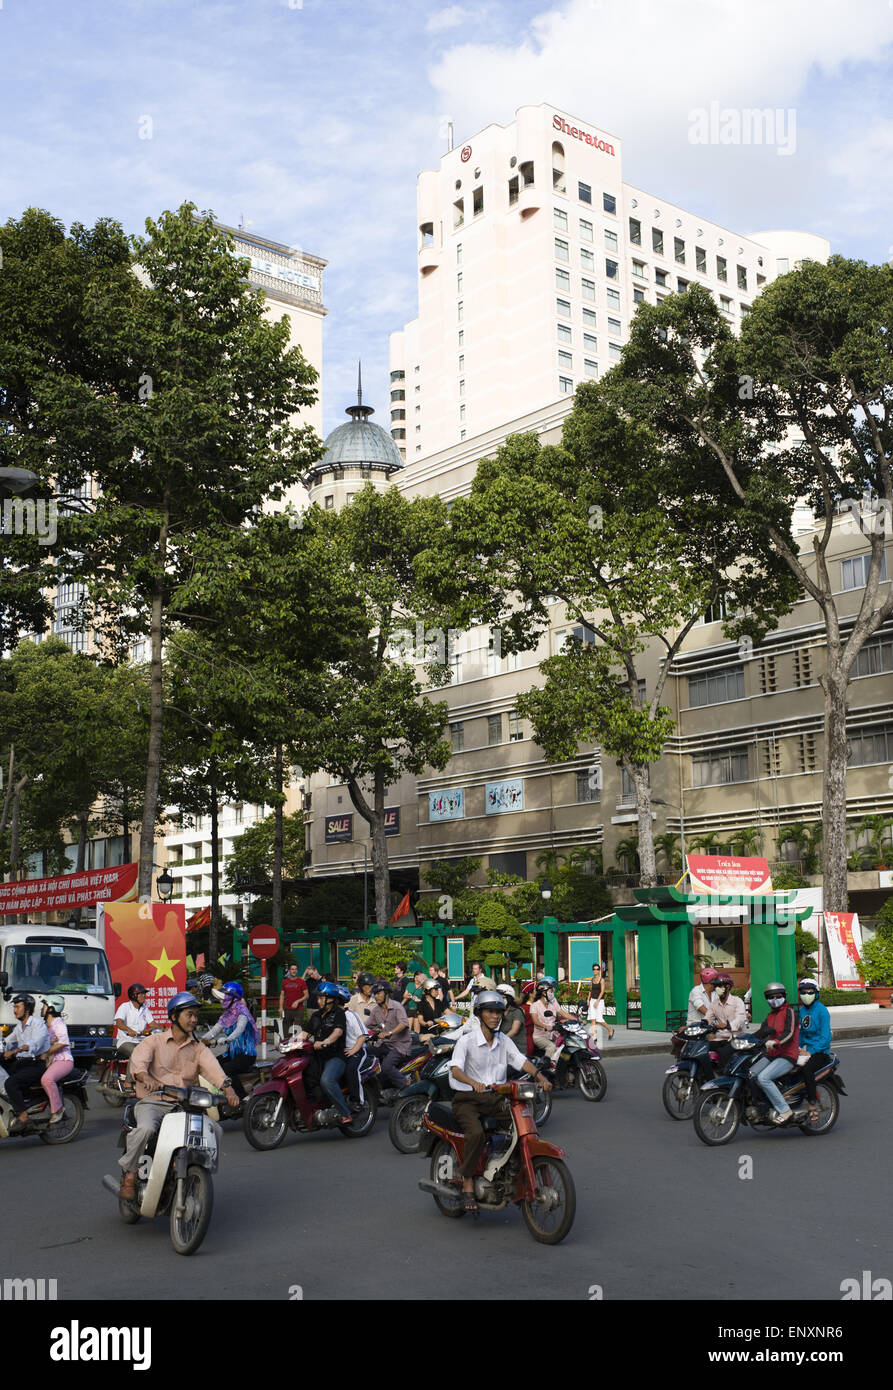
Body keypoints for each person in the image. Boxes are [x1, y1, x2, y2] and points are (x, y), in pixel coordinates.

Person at [118, 992, 238, 1200]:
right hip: (154, 1102)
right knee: (146, 1129)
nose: (193, 1020)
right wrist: (144, 1076)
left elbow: (213, 1069)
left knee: (215, 1130)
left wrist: (228, 1089)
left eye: (195, 1016)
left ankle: (197, 1172)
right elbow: (139, 1062)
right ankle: (129, 1175)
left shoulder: (198, 1048)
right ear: (174, 1017)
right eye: (189, 1015)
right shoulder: (154, 1042)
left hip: (184, 1105)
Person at [449, 990, 552, 1211]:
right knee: (475, 1133)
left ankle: (508, 1169)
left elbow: (520, 1061)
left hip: (495, 1098)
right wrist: (472, 1082)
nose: (495, 1016)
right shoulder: (466, 1041)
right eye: (490, 1011)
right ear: (479, 1014)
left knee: (522, 1126)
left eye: (498, 1012)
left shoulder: (504, 1040)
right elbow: (455, 1069)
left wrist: (541, 1077)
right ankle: (467, 1181)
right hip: (467, 1098)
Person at [751, 981, 801, 1125]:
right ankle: (763, 1105)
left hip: (787, 1055)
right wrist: (746, 1040)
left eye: (778, 996)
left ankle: (785, 1110)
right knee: (750, 1074)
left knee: (763, 1078)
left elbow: (789, 1033)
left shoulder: (790, 1012)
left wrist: (776, 1042)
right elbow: (761, 1032)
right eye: (770, 997)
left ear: (784, 996)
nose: (774, 1000)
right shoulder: (770, 1016)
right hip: (772, 1055)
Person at [303, 981, 351, 1123]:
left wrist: (325, 1042)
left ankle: (345, 1113)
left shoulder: (339, 1014)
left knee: (327, 1080)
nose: (318, 1001)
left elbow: (337, 1032)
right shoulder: (316, 1016)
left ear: (330, 999)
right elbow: (305, 1033)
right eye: (318, 998)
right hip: (317, 1057)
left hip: (336, 1057)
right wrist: (287, 1043)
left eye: (321, 998)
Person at [2, 994, 51, 1132]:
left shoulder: (38, 1025)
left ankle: (23, 1117)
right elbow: (7, 1041)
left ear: (27, 1009)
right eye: (14, 1007)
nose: (15, 1010)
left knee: (10, 1083)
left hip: (36, 1064)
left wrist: (15, 1050)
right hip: (22, 1063)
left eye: (18, 1007)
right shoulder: (19, 1027)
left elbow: (35, 1044)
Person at [203, 981, 259, 1101]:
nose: (222, 1000)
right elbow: (215, 1030)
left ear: (233, 998)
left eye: (225, 997)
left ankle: (242, 1096)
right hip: (232, 1053)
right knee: (212, 1065)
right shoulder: (227, 1014)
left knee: (226, 1069)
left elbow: (239, 1030)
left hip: (246, 1055)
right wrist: (200, 1040)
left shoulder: (242, 1013)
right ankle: (218, 1092)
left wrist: (227, 1039)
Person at [795, 977, 832, 1124]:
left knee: (807, 1069)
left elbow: (826, 1037)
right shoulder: (802, 1010)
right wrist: (796, 1048)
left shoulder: (822, 1011)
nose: (806, 995)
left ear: (816, 993)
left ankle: (811, 1104)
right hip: (806, 1051)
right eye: (803, 992)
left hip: (820, 1052)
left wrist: (810, 1052)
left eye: (809, 992)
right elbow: (802, 1034)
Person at [367, 981, 411, 1091]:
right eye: (374, 994)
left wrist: (389, 1033)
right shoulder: (376, 1011)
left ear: (386, 993)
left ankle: (405, 1083)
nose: (375, 996)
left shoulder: (397, 1007)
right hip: (384, 1044)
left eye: (378, 993)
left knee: (386, 1067)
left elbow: (404, 1023)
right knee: (365, 1052)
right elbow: (366, 1025)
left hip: (399, 1046)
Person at [39, 995, 74, 1123]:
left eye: (44, 1005)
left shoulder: (58, 1023)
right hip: (52, 1061)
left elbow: (64, 1042)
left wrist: (46, 1052)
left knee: (47, 1079)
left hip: (63, 1061)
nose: (41, 1008)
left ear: (51, 1008)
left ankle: (58, 1110)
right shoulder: (46, 1025)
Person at [340, 985, 374, 1110]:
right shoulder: (329, 1016)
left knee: (351, 1070)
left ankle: (358, 1101)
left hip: (357, 1050)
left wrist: (353, 1050)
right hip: (340, 1052)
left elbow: (363, 1035)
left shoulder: (351, 1015)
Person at [706, 972, 748, 1067]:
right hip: (720, 1038)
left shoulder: (737, 1001)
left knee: (723, 1053)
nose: (717, 989)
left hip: (736, 1038)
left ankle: (726, 1077)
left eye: (720, 986)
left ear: (728, 987)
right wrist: (698, 1026)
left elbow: (740, 1018)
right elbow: (707, 1018)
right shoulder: (714, 1004)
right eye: (716, 986)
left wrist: (728, 1025)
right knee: (702, 1048)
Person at [529, 979, 573, 1060]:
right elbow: (535, 1021)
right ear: (543, 992)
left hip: (553, 1034)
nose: (553, 993)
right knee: (551, 1047)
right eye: (551, 991)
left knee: (565, 1046)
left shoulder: (552, 1004)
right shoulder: (535, 1006)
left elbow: (563, 1013)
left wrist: (577, 1019)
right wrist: (546, 1026)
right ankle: (546, 1066)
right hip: (539, 1036)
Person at [114, 982, 154, 1057]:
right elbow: (119, 1023)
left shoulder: (145, 1009)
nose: (144, 996)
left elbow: (153, 1024)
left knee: (154, 1053)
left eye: (144, 994)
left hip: (141, 1041)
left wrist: (165, 1029)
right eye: (141, 994)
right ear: (134, 995)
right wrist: (129, 1030)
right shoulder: (124, 1007)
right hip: (125, 1041)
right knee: (138, 1055)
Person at [587, 963, 614, 1043]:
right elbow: (590, 990)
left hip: (599, 1001)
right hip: (592, 1000)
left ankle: (610, 1030)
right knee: (593, 1019)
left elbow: (602, 991)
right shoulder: (592, 980)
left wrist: (597, 1001)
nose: (596, 970)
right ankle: (594, 1036)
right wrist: (588, 999)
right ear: (592, 970)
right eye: (594, 969)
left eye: (597, 969)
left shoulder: (602, 980)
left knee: (599, 1019)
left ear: (599, 970)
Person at [279, 965, 308, 1038]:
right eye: (292, 969)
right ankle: (287, 1047)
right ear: (289, 971)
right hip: (287, 1009)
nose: (294, 971)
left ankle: (297, 1048)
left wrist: (298, 1001)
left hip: (298, 1010)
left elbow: (307, 995)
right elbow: (282, 995)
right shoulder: (284, 982)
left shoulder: (301, 982)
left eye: (295, 969)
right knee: (286, 1031)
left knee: (297, 1032)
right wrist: (280, 1007)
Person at [496, 983, 526, 1053]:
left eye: (503, 998)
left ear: (509, 999)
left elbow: (514, 1031)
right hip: (502, 1048)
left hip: (516, 1049)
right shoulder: (498, 1012)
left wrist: (500, 1041)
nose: (500, 1000)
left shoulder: (516, 1012)